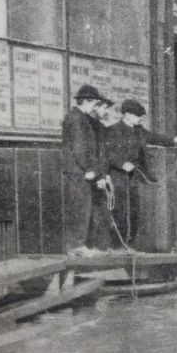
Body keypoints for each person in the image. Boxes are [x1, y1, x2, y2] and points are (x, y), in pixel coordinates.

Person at [107, 100, 177, 248]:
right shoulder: (112, 130)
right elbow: (108, 154)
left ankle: (131, 244)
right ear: (127, 114)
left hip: (135, 176)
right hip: (118, 177)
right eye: (137, 115)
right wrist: (122, 164)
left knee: (134, 210)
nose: (140, 118)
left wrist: (173, 140)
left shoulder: (139, 130)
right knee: (120, 212)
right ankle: (117, 246)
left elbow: (154, 137)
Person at [62, 85, 111, 256]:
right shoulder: (76, 118)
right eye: (94, 103)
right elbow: (79, 147)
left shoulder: (80, 117)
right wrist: (89, 168)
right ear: (87, 101)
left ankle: (78, 245)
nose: (95, 107)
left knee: (83, 207)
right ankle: (76, 245)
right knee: (78, 207)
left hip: (79, 170)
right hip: (77, 171)